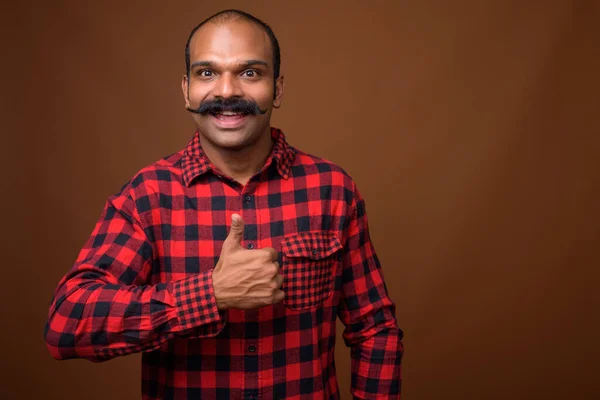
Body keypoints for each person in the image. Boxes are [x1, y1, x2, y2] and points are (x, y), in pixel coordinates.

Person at [44, 9, 403, 399]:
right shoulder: (148, 195)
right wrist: (210, 294)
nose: (228, 91)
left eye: (250, 72)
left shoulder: (332, 189)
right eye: (207, 73)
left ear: (277, 89)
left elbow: (375, 328)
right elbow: (66, 323)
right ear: (186, 91)